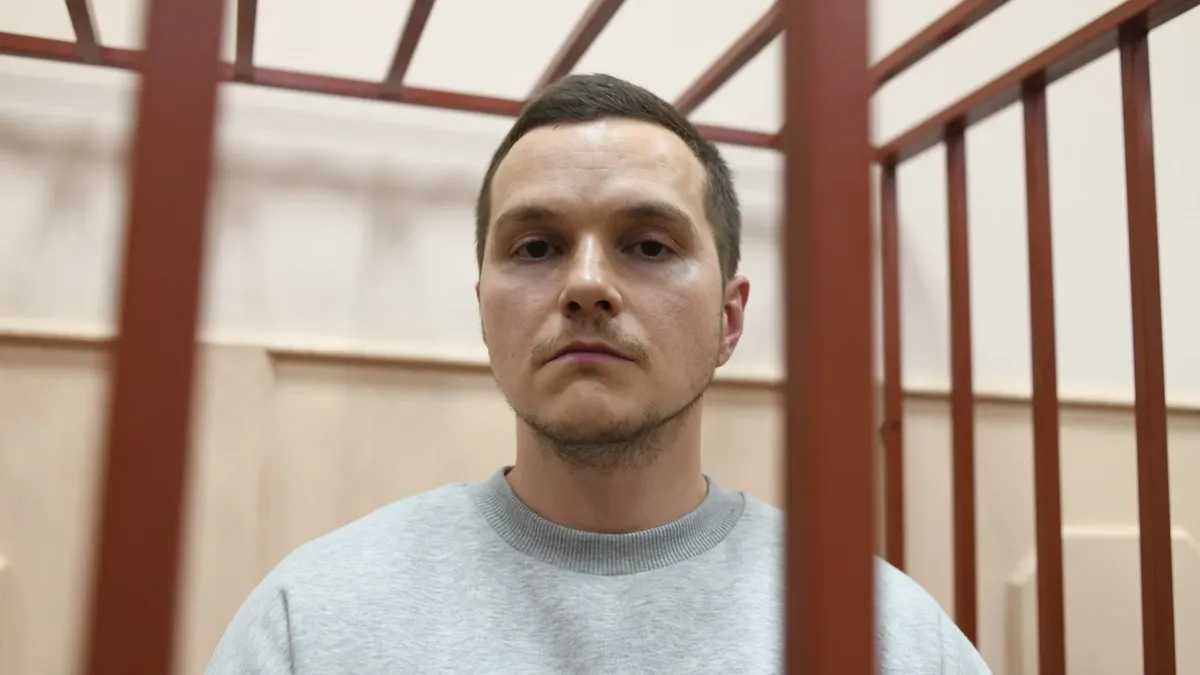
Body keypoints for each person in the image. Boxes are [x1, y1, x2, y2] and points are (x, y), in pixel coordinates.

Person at [205, 73, 991, 674]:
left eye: (648, 245)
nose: (586, 284)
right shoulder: (311, 623)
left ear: (729, 318)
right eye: (536, 247)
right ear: (485, 314)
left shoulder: (889, 636)